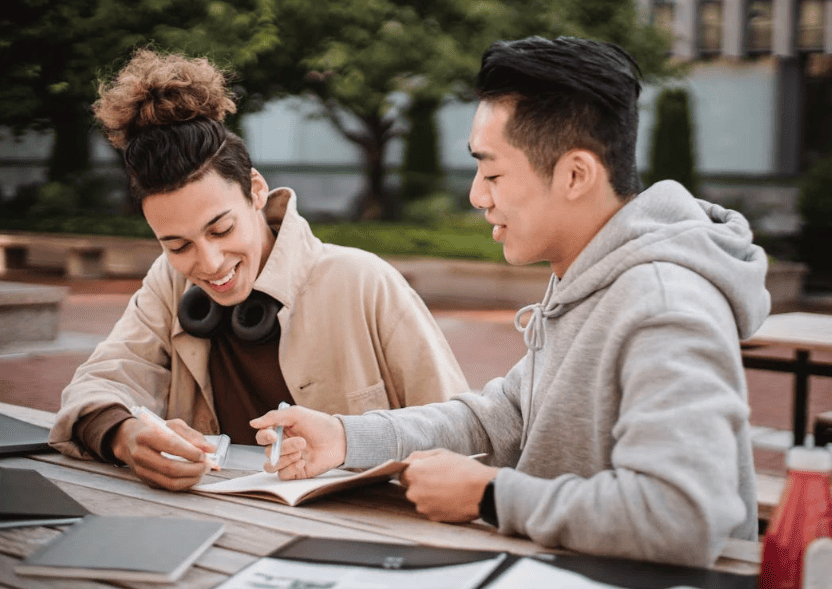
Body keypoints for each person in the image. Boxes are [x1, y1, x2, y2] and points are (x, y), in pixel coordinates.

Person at [251, 36, 771, 567]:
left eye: (493, 173)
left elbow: (683, 517)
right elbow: (499, 419)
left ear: (575, 175)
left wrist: (490, 496)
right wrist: (344, 437)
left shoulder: (663, 304)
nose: (478, 195)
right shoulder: (588, 278)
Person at [48, 48, 469, 491]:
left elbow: (462, 430)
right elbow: (95, 386)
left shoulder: (365, 281)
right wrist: (123, 436)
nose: (208, 265)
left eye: (221, 229)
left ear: (256, 190)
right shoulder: (169, 282)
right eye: (177, 244)